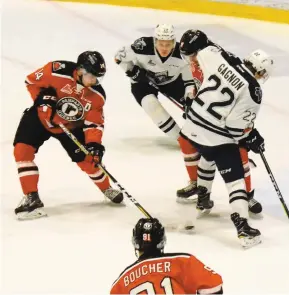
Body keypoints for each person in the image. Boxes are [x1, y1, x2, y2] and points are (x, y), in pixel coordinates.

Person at [177, 29, 273, 248]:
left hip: (191, 124)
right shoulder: (253, 90)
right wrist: (251, 136)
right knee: (235, 178)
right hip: (213, 132)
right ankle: (243, 225)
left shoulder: (222, 59)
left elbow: (203, 52)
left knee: (207, 155)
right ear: (260, 72)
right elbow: (234, 127)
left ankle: (203, 196)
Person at [13, 51, 122, 220]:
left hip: (71, 126)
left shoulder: (97, 96)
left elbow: (94, 123)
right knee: (21, 151)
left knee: (89, 161)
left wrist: (94, 144)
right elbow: (31, 81)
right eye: (92, 76)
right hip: (40, 118)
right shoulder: (55, 70)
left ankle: (106, 187)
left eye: (98, 77)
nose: (95, 81)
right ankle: (31, 197)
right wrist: (42, 100)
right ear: (80, 70)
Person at [114, 24, 196, 140]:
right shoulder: (142, 46)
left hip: (173, 82)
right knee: (151, 105)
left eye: (168, 44)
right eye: (161, 44)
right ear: (155, 41)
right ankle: (182, 140)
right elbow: (118, 57)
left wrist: (189, 97)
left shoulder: (182, 54)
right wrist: (132, 71)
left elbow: (189, 81)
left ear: (173, 42)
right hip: (142, 82)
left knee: (196, 108)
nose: (164, 48)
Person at [110, 218, 223, 294]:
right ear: (162, 242)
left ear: (135, 243)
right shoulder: (183, 262)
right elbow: (214, 288)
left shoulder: (120, 283)